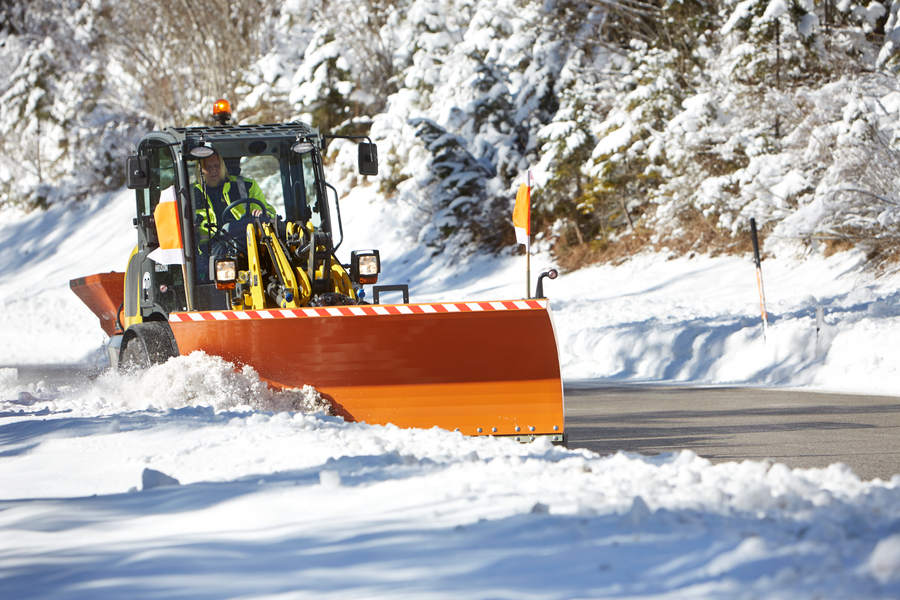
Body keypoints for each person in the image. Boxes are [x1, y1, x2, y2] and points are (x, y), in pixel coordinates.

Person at [192, 148, 276, 248]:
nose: (213, 170)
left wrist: (264, 214)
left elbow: (269, 212)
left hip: (245, 244)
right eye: (208, 167)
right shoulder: (190, 194)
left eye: (216, 165)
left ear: (222, 166)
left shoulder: (246, 186)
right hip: (206, 250)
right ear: (200, 169)